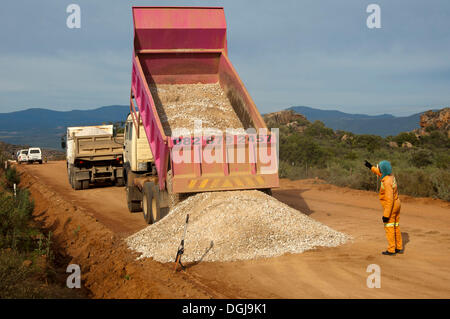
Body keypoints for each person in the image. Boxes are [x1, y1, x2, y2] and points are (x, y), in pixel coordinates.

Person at [364, 160, 403, 255]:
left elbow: (389, 200)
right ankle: (398, 247)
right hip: (397, 204)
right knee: (396, 226)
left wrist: (386, 215)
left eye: (379, 168)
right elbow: (380, 173)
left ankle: (391, 249)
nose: (379, 169)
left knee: (389, 226)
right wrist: (371, 167)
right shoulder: (390, 176)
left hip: (391, 206)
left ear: (383, 170)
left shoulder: (386, 182)